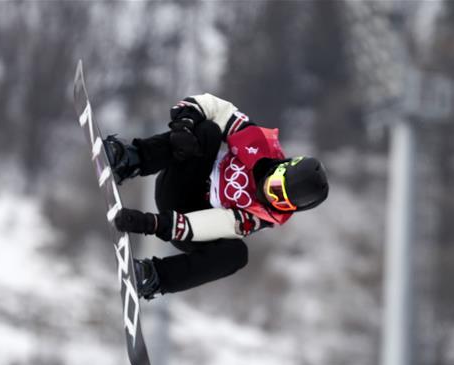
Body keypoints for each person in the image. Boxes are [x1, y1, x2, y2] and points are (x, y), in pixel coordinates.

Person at [103, 93, 329, 299]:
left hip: (187, 224)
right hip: (181, 183)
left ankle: (152, 277)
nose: (271, 195)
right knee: (208, 131)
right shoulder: (258, 144)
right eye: (276, 185)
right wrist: (185, 122)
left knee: (236, 254)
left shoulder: (256, 217)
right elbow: (215, 107)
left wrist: (151, 223)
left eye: (281, 200)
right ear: (282, 166)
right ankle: (131, 159)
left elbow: (206, 225)